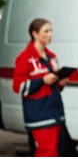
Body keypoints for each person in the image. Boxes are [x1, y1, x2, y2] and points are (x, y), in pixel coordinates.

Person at [13, 18, 68, 157]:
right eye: (46, 31)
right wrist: (42, 80)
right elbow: (19, 87)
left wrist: (60, 83)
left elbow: (53, 86)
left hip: (55, 112)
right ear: (35, 34)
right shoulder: (24, 58)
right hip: (39, 114)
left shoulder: (52, 57)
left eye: (51, 31)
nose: (50, 34)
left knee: (55, 153)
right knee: (46, 153)